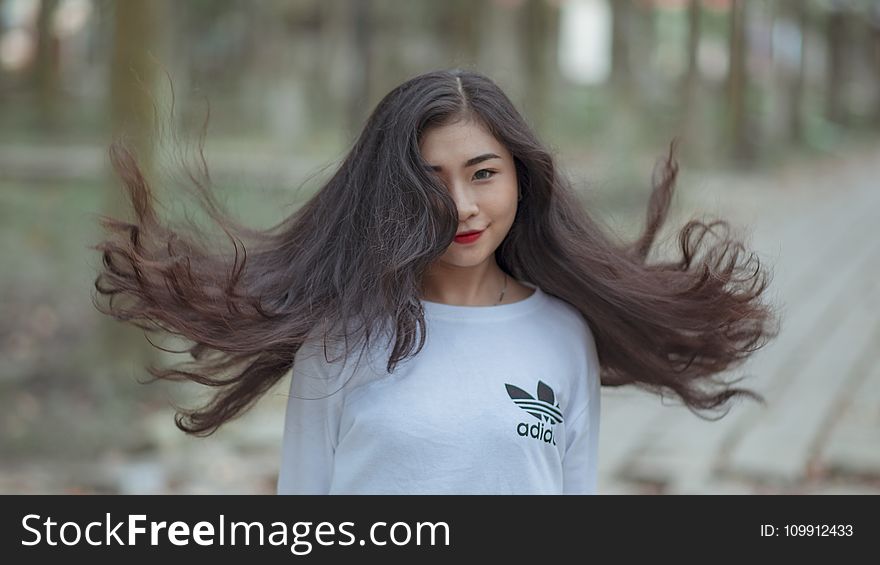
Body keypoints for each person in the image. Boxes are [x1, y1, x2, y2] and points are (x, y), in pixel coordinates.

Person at [92, 68, 779, 495]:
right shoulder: (339, 339)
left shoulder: (563, 334)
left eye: (483, 172)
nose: (462, 207)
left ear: (521, 176)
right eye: (430, 181)